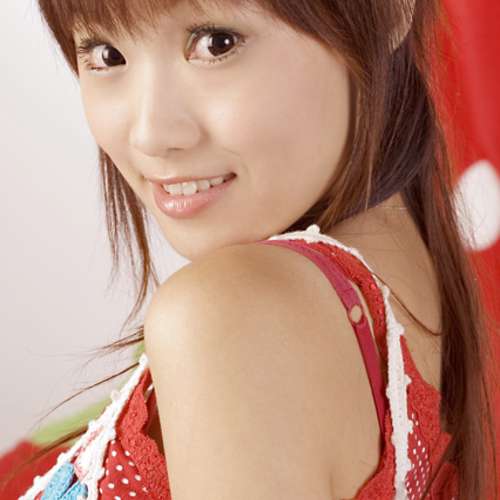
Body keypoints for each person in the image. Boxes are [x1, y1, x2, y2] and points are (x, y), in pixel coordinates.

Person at [0, 0, 497, 498]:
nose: (151, 135)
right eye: (107, 55)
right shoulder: (409, 285)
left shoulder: (232, 314)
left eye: (216, 43)